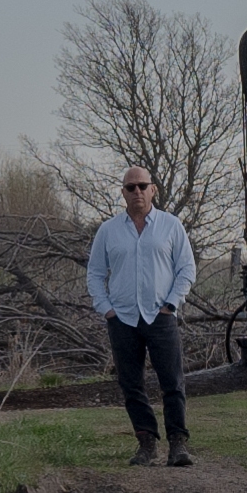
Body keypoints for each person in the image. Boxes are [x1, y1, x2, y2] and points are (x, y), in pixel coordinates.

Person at [85, 161, 198, 467]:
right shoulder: (108, 231)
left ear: (153, 190)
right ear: (123, 193)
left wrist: (171, 304)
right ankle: (146, 443)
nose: (137, 192)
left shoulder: (171, 226)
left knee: (172, 382)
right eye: (130, 187)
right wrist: (106, 309)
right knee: (131, 384)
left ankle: (178, 444)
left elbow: (186, 269)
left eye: (142, 186)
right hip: (122, 319)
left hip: (161, 316)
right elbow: (95, 274)